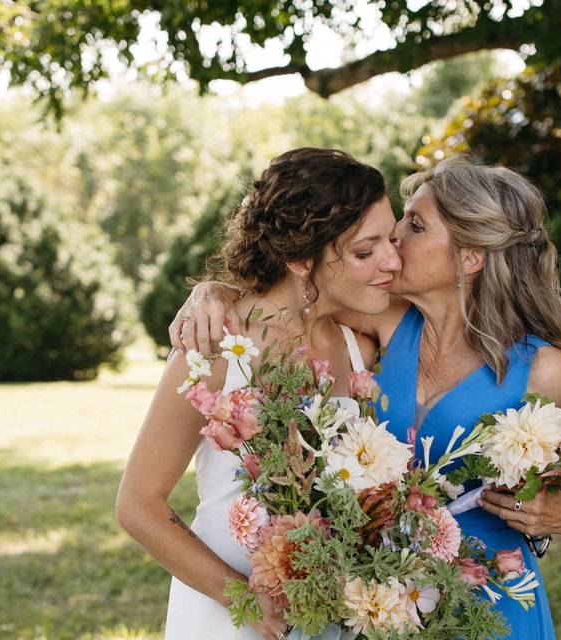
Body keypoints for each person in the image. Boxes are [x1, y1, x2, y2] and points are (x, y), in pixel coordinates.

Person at [171, 155, 561, 639]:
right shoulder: (383, 324)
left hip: (496, 600)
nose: (394, 237)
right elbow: (295, 293)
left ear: (469, 257)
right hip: (383, 603)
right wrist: (213, 293)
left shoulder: (542, 370)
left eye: (415, 225)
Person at [115, 148, 401, 640]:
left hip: (327, 617)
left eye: (391, 240)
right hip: (226, 615)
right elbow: (138, 505)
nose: (393, 261)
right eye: (364, 250)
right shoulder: (213, 349)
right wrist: (245, 600)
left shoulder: (362, 350)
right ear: (300, 258)